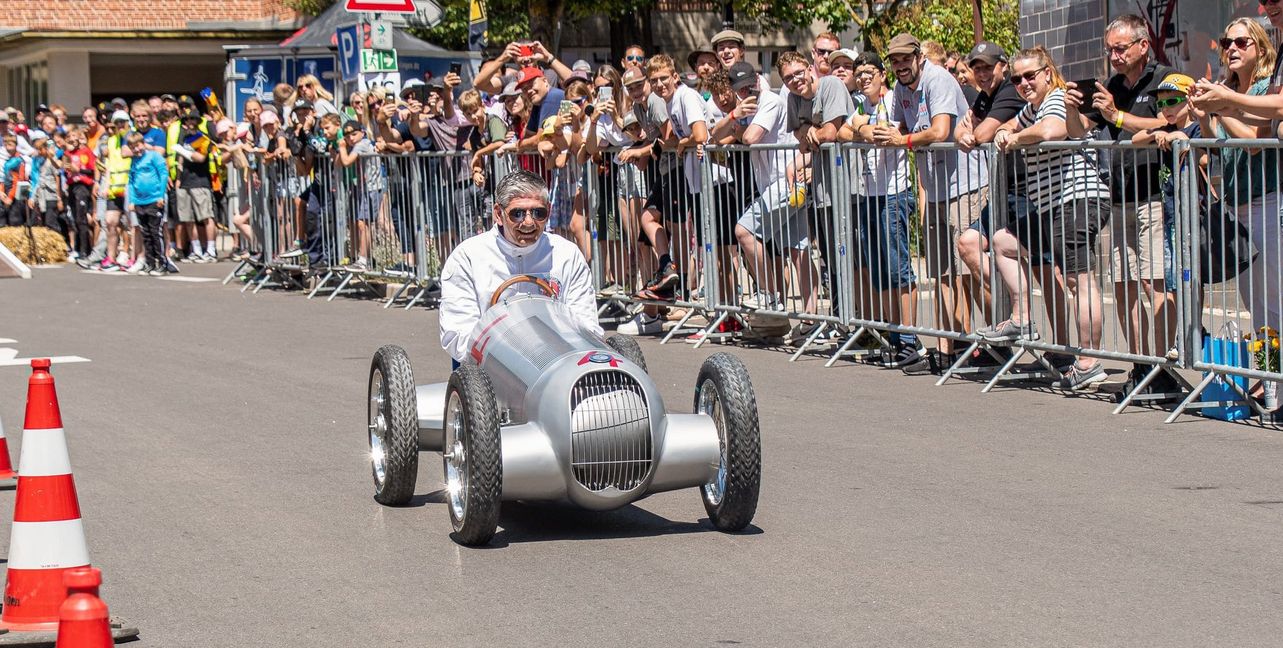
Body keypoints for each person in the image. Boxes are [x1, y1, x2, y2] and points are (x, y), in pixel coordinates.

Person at [990, 47, 1112, 391]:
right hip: (1052, 206)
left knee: (1079, 281)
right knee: (1003, 242)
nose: (1024, 83)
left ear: (1047, 72)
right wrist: (1005, 130)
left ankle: (1088, 362)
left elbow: (1053, 131)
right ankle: (1022, 319)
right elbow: (1014, 125)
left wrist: (1014, 138)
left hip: (1076, 199)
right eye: (1017, 78)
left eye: (1031, 75)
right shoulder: (1032, 109)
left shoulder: (1056, 98)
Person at [1065, 14, 1176, 378]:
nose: (1114, 55)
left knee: (1154, 280)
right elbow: (1080, 130)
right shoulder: (1112, 83)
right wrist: (1071, 107)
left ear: (1143, 45)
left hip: (1155, 195)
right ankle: (1140, 364)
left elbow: (1168, 122)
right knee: (1125, 284)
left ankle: (1163, 363)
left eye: (1120, 48)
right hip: (1119, 196)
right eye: (1109, 49)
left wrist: (1118, 115)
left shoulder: (1164, 78)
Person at [876, 33, 989, 372]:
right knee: (941, 271)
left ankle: (999, 339)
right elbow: (891, 128)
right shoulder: (899, 89)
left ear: (918, 58)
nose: (900, 67)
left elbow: (940, 130)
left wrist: (903, 139)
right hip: (936, 187)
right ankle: (950, 345)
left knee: (968, 269)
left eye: (904, 60)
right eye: (894, 62)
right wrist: (872, 132)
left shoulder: (937, 78)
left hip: (965, 183)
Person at [439, 170, 602, 363]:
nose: (528, 222)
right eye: (517, 214)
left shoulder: (567, 254)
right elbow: (459, 332)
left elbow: (585, 323)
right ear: (499, 214)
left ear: (548, 211)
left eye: (538, 213)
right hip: (489, 367)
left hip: (555, 362)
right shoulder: (467, 257)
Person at [1193, 20, 1281, 349]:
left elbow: (1254, 141)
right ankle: (1267, 376)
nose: (1231, 48)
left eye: (1241, 42)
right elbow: (1216, 148)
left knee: (1273, 296)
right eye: (1226, 42)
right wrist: (1204, 115)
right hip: (1237, 205)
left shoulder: (1263, 89)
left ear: (1260, 47)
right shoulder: (1230, 91)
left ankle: (1276, 380)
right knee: (1252, 300)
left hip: (1266, 201)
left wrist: (1221, 106)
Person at [840, 51, 921, 367]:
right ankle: (894, 335)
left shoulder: (893, 100)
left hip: (893, 193)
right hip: (868, 194)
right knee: (880, 272)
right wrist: (861, 129)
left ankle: (910, 339)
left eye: (868, 72)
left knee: (898, 268)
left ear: (882, 74)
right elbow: (844, 132)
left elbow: (887, 133)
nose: (862, 78)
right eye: (858, 73)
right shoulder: (861, 105)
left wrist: (866, 129)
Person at [124, 131, 169, 275]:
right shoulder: (134, 161)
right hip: (139, 201)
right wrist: (132, 200)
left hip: (154, 199)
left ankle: (161, 263)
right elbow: (131, 181)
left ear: (143, 144)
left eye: (138, 146)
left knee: (156, 232)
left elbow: (163, 174)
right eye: (133, 147)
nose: (136, 150)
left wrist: (161, 196)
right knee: (146, 233)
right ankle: (150, 263)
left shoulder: (154, 156)